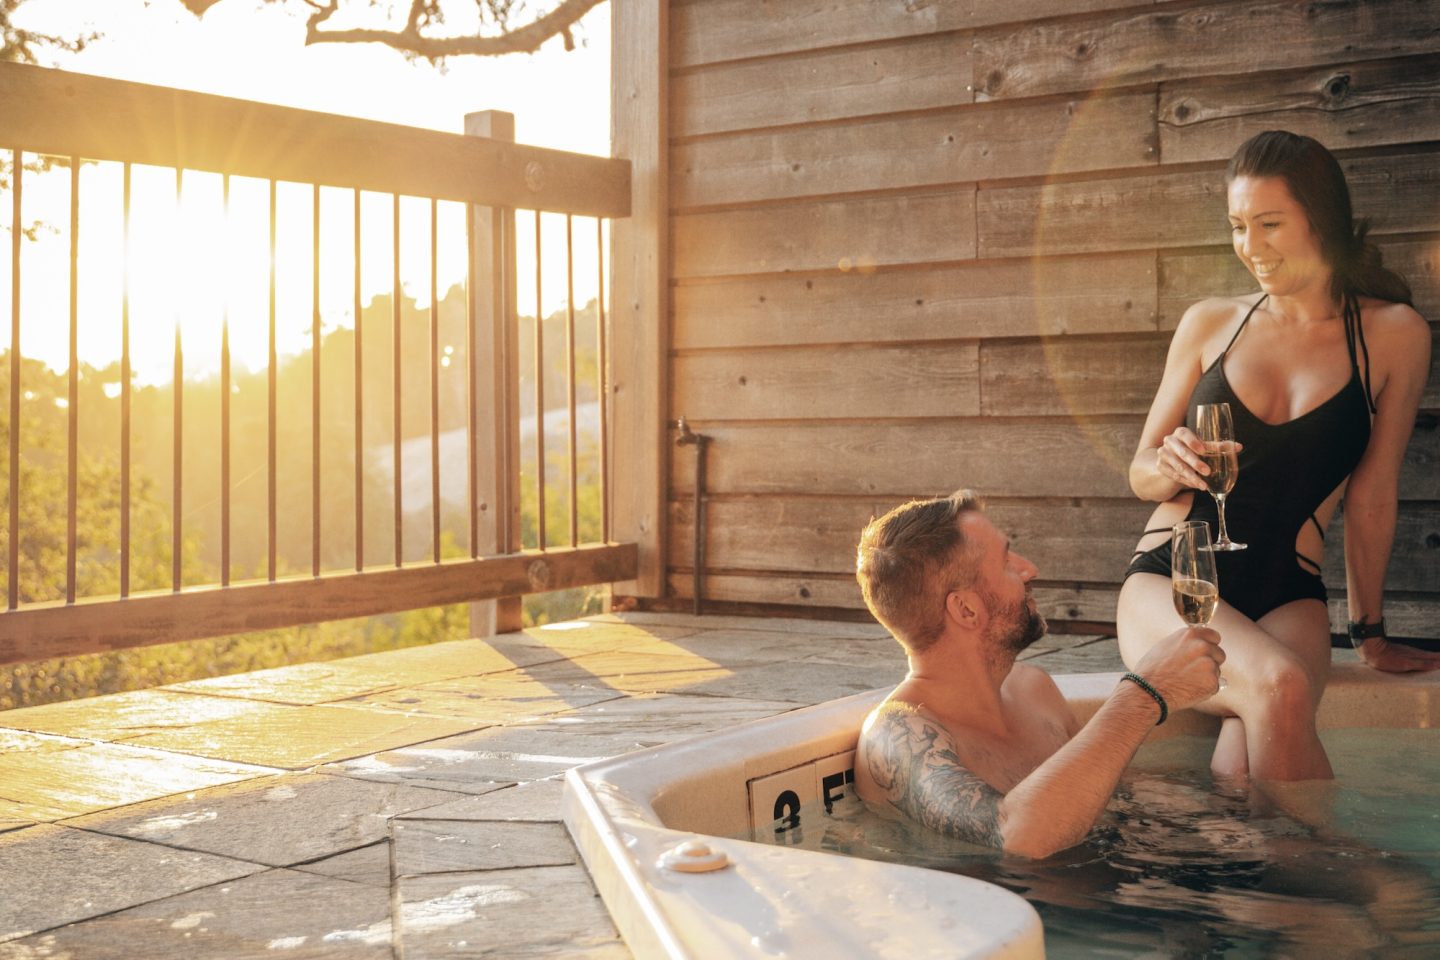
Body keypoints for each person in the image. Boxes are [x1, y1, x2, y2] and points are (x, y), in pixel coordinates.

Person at [1117, 130, 1437, 784]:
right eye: (1238, 226)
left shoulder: (1393, 335)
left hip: (1289, 591)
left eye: (1269, 224)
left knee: (1242, 768)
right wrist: (1167, 459)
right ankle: (1352, 878)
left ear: (1320, 219)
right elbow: (1141, 473)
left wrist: (1367, 633)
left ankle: (1261, 885)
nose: (1250, 247)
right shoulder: (1211, 322)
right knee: (1283, 687)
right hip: (1176, 580)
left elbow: (1373, 494)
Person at [852, 491, 1225, 859]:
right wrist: (1142, 696)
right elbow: (1018, 838)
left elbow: (1108, 796)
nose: (1030, 569)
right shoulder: (898, 736)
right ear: (966, 609)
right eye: (1006, 562)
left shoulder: (1033, 688)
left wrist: (1205, 822)